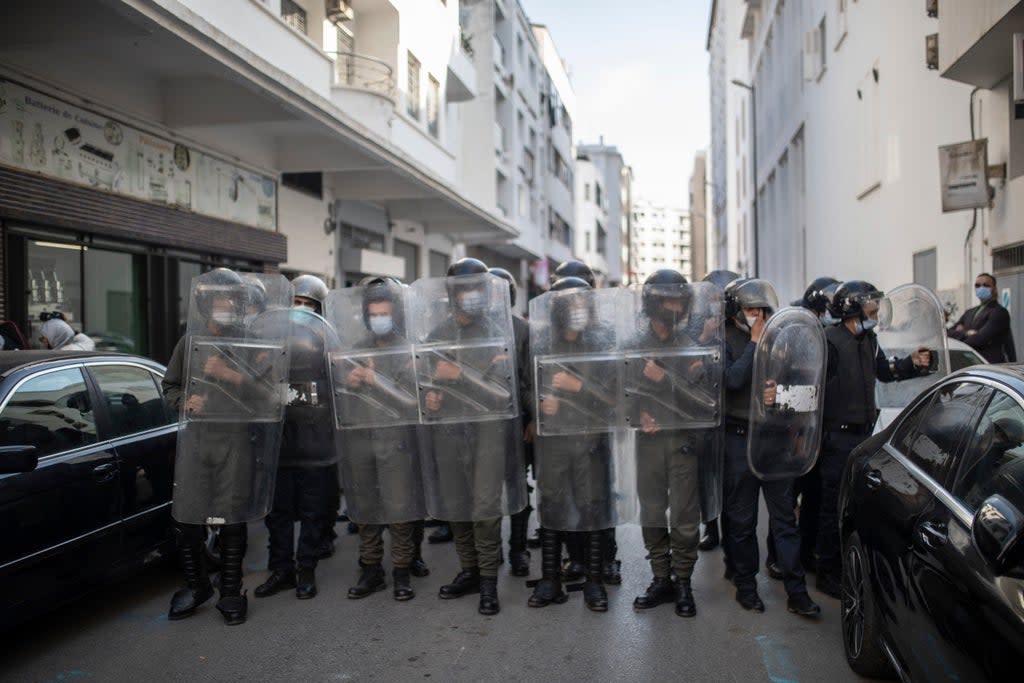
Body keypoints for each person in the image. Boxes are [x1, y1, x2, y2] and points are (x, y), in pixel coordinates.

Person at [163, 268, 289, 625]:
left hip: (236, 440)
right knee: (188, 518)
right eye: (217, 300)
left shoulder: (253, 344)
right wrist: (185, 402)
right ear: (205, 303)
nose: (223, 306)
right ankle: (197, 584)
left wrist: (231, 375)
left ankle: (231, 591)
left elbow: (270, 397)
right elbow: (170, 385)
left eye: (229, 300)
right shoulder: (189, 343)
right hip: (197, 440)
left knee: (232, 518)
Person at [420, 258, 526, 616]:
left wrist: (458, 376)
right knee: (457, 505)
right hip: (450, 431)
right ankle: (470, 569)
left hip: (489, 431)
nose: (470, 297)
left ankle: (488, 583)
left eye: (475, 291)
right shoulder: (437, 336)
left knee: (484, 507)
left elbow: (502, 394)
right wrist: (431, 396)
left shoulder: (499, 333)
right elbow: (429, 383)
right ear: (452, 295)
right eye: (463, 291)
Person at [815, 280, 933, 598]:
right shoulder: (829, 341)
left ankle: (845, 562)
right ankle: (825, 570)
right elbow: (815, 388)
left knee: (852, 504)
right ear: (853, 308)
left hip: (864, 435)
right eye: (871, 306)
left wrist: (912, 363)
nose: (877, 311)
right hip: (836, 438)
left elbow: (883, 371)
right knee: (831, 505)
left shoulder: (869, 340)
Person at [722, 278, 821, 617]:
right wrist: (753, 344)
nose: (758, 316)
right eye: (751, 310)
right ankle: (746, 586)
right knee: (742, 520)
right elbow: (731, 380)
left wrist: (778, 396)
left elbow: (800, 385)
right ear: (737, 312)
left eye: (762, 310)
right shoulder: (726, 340)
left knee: (783, 520)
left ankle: (797, 591)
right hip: (738, 440)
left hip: (774, 439)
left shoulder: (780, 340)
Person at [334, 277, 431, 601]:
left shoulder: (408, 350)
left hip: (396, 440)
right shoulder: (357, 349)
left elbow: (413, 401)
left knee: (399, 509)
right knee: (365, 508)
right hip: (360, 437)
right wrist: (349, 381)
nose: (379, 319)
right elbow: (341, 397)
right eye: (373, 313)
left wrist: (374, 380)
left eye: (384, 313)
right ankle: (371, 568)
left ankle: (401, 570)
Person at [528, 276, 616, 612]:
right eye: (572, 306)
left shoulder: (600, 344)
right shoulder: (541, 343)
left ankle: (594, 583)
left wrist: (578, 386)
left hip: (589, 441)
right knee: (551, 507)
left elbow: (612, 397)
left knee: (591, 509)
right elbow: (524, 385)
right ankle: (550, 579)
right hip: (553, 442)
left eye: (583, 305)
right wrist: (539, 403)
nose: (578, 312)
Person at [628, 270, 711, 618]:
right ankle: (660, 577)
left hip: (681, 444)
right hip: (647, 444)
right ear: (654, 303)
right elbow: (620, 394)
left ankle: (683, 582)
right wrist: (638, 416)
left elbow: (704, 402)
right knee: (651, 512)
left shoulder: (690, 349)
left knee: (684, 516)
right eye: (670, 300)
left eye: (681, 300)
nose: (676, 306)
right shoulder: (633, 347)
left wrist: (665, 379)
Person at [254, 275, 337, 601]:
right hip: (280, 440)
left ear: (319, 309)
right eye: (296, 303)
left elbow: (334, 390)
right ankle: (281, 570)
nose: (300, 309)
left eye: (308, 305)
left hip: (316, 441)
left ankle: (306, 570)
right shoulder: (271, 339)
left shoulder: (329, 340)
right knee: (279, 514)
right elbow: (257, 387)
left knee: (314, 512)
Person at [490, 267, 534, 577]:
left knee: (518, 490)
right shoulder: (475, 328)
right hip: (483, 423)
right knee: (487, 492)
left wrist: (532, 420)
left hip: (517, 422)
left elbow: (531, 379)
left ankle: (518, 549)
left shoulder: (522, 330)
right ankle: (489, 552)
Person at [695, 270, 741, 552]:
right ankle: (710, 528)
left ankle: (730, 529)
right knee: (706, 476)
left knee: (730, 478)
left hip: (732, 411)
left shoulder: (738, 328)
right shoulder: (698, 323)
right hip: (703, 410)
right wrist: (704, 335)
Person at [948, 272, 1017, 363]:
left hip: (990, 365)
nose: (981, 288)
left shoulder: (999, 312)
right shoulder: (969, 312)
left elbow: (980, 338)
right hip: (969, 365)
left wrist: (959, 337)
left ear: (994, 289)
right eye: (977, 285)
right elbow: (948, 333)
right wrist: (966, 333)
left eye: (986, 285)